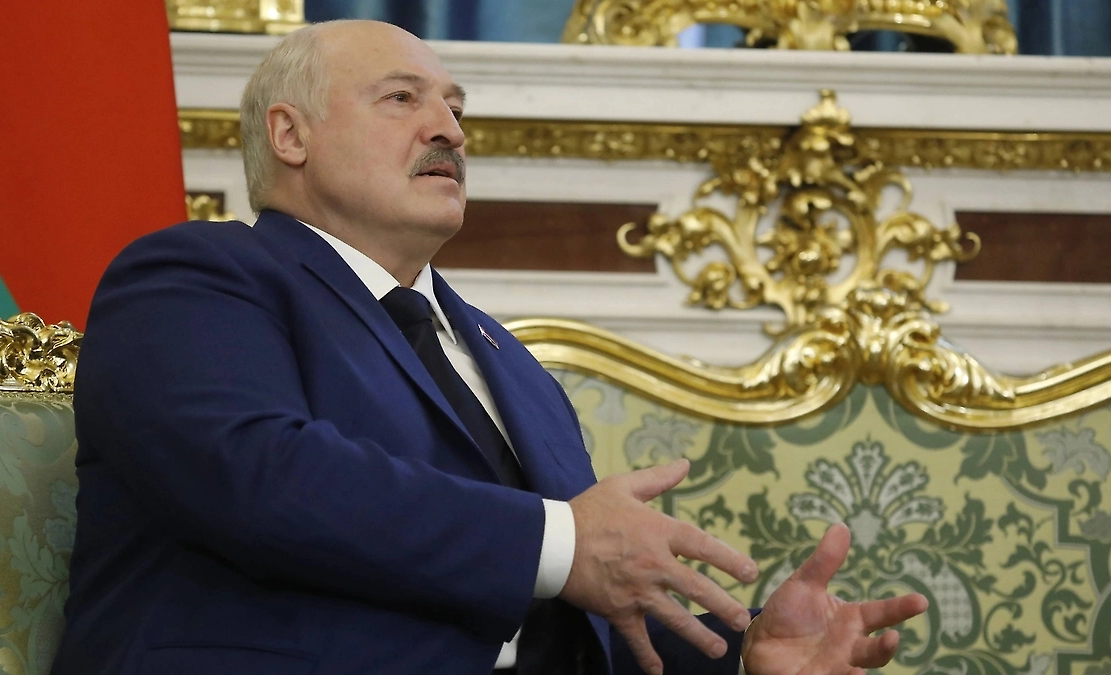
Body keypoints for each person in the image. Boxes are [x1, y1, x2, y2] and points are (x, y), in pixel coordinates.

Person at [52, 19, 926, 675]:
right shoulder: (198, 276)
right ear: (291, 136)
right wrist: (562, 539)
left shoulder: (508, 362)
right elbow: (254, 474)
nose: (451, 131)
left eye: (457, 108)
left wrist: (745, 654)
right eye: (404, 99)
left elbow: (576, 613)